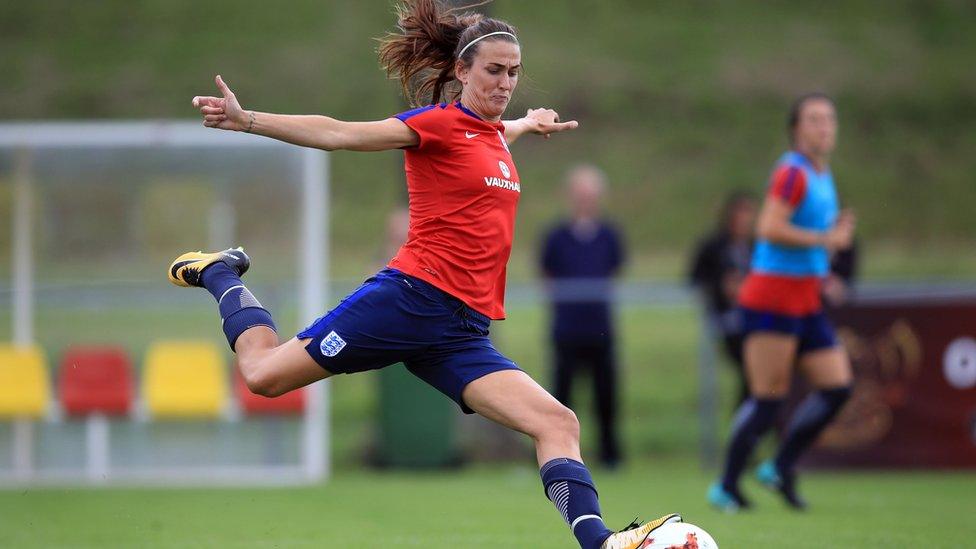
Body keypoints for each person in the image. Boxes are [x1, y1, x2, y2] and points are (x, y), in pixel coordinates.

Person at [171, 1, 679, 547]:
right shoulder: (435, 125)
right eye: (493, 70)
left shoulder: (492, 137)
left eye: (513, 72)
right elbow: (340, 133)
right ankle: (221, 272)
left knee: (558, 423)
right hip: (409, 301)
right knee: (263, 377)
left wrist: (529, 124)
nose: (506, 82)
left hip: (462, 331)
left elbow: (495, 135)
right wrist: (248, 120)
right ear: (462, 71)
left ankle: (599, 541)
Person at [707, 93, 856, 512]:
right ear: (796, 128)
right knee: (768, 397)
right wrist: (827, 239)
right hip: (772, 298)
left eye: (829, 118)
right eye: (813, 119)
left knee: (838, 387)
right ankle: (726, 485)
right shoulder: (793, 172)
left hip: (805, 298)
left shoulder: (820, 173)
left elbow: (803, 239)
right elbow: (770, 227)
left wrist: (826, 258)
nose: (823, 126)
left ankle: (779, 464)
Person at [541, 164, 626, 468]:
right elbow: (547, 272)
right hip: (567, 329)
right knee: (561, 397)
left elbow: (615, 269)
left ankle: (610, 456)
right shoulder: (557, 237)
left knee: (605, 395)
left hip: (600, 328)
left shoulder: (608, 235)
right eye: (580, 194)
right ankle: (560, 456)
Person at [688, 191, 757, 409]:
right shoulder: (714, 246)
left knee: (757, 373)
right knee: (751, 368)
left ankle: (749, 419)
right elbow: (695, 277)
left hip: (756, 318)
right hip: (727, 320)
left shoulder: (756, 246)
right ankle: (745, 420)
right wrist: (722, 286)